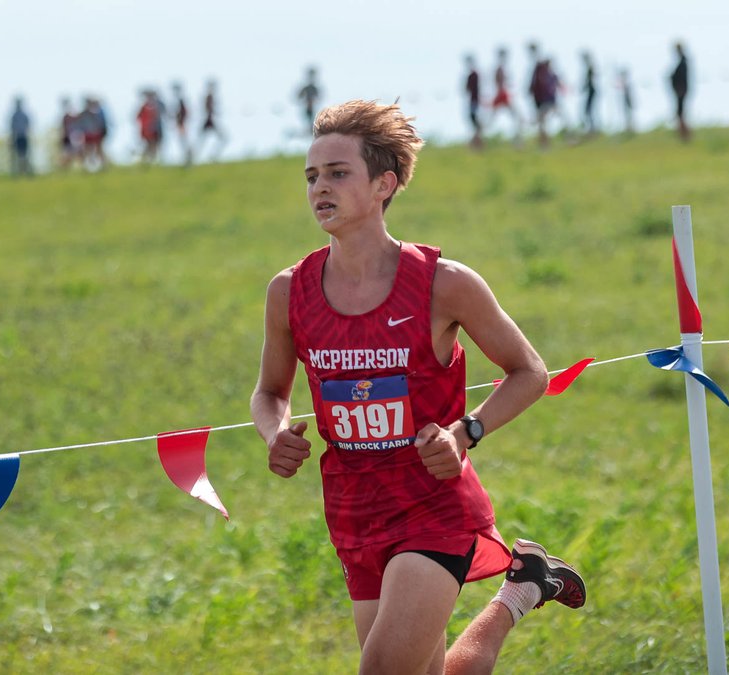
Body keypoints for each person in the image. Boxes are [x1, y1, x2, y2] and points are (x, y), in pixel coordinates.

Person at [250, 99, 586, 674]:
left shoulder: (443, 284)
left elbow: (530, 372)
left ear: (384, 184)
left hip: (433, 503)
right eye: (311, 176)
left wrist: (465, 432)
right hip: (352, 509)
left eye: (338, 173)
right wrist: (274, 432)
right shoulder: (289, 291)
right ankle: (522, 589)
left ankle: (521, 587)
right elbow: (270, 392)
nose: (320, 188)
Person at [489, 46, 523, 143]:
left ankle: (517, 140)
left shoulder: (500, 68)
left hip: (502, 95)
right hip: (502, 95)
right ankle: (517, 141)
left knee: (516, 118)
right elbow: (499, 82)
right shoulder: (499, 69)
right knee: (517, 118)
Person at [196, 79, 227, 161]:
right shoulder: (209, 97)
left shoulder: (209, 97)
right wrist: (211, 116)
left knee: (200, 141)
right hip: (209, 121)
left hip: (209, 121)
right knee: (201, 141)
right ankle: (212, 155)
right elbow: (208, 109)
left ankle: (212, 155)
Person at [669, 41, 691, 142]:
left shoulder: (683, 62)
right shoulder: (683, 61)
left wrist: (680, 89)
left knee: (680, 114)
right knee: (680, 113)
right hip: (680, 90)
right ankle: (683, 135)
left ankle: (685, 136)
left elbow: (682, 77)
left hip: (680, 91)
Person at [136, 89, 165, 164]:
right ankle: (149, 160)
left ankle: (151, 160)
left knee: (154, 144)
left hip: (154, 129)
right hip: (148, 130)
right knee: (150, 144)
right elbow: (138, 117)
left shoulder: (155, 105)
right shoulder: (145, 106)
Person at [9, 96, 33, 176]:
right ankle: (18, 172)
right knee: (17, 156)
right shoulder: (14, 116)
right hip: (17, 137)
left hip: (23, 137)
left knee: (25, 155)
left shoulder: (23, 115)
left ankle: (26, 172)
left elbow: (28, 126)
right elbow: (12, 128)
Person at [464, 54, 483, 150]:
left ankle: (475, 145)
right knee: (477, 126)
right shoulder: (474, 74)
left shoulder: (473, 75)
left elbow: (466, 89)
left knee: (477, 126)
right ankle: (475, 145)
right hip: (474, 102)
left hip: (474, 102)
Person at [171, 82, 193, 166]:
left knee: (184, 142)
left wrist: (179, 121)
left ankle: (188, 158)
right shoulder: (179, 100)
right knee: (183, 142)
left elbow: (183, 113)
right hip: (181, 124)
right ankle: (187, 158)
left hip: (182, 125)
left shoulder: (180, 101)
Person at [581, 51, 598, 136]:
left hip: (592, 91)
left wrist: (583, 88)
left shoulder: (590, 68)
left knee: (588, 111)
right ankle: (592, 129)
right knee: (588, 111)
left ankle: (592, 130)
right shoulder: (590, 67)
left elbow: (588, 81)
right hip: (591, 91)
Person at [618, 68, 636, 136]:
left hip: (628, 100)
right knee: (627, 114)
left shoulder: (627, 83)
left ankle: (630, 128)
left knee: (629, 114)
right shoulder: (626, 82)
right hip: (626, 101)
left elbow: (629, 94)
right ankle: (629, 127)